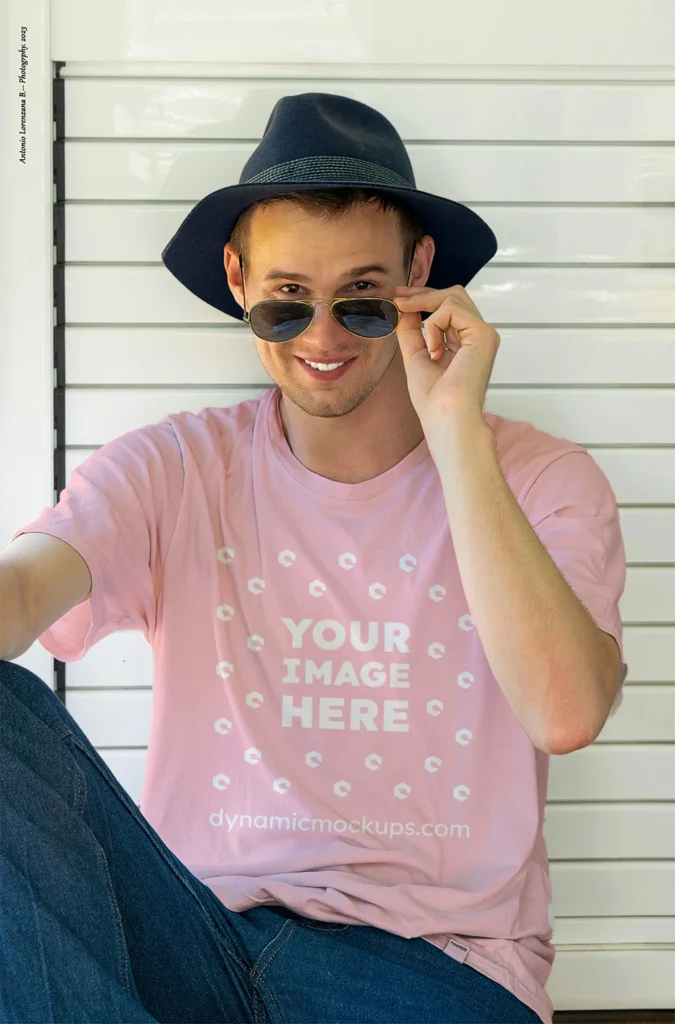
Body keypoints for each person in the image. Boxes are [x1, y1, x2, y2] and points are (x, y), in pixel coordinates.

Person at [0, 92, 627, 1024]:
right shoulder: (176, 466)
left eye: (363, 302)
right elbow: (25, 591)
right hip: (199, 938)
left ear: (419, 274)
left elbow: (566, 712)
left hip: (431, 965)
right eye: (287, 304)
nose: (325, 338)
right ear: (238, 279)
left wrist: (452, 429)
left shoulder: (541, 479)